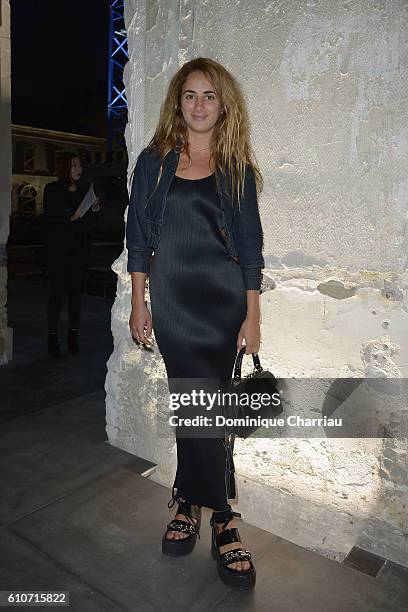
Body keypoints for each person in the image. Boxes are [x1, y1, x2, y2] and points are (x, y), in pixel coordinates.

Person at [127, 57, 264, 590]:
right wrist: (140, 303)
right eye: (190, 95)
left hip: (224, 300)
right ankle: (220, 515)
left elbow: (251, 247)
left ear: (223, 104)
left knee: (209, 406)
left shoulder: (237, 169)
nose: (199, 104)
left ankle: (195, 504)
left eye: (209, 95)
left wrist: (252, 314)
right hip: (174, 301)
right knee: (195, 404)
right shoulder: (154, 161)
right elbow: (138, 237)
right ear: (177, 103)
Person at [43, 152, 100, 357]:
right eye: (74, 166)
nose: (79, 170)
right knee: (57, 295)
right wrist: (73, 217)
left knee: (76, 296)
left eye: (79, 166)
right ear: (65, 167)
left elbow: (88, 225)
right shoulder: (53, 190)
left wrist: (93, 209)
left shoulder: (84, 191)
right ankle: (52, 338)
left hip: (78, 253)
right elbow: (52, 220)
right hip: (58, 253)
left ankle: (72, 338)